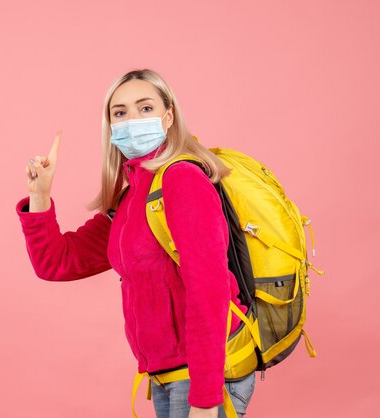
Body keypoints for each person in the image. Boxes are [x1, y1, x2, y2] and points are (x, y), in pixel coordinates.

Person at [15, 68, 256, 418]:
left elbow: (210, 289)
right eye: (120, 112)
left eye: (145, 109)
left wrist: (205, 400)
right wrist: (40, 195)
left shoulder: (182, 179)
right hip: (166, 376)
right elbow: (57, 263)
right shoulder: (130, 198)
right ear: (110, 125)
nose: (131, 120)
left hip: (203, 376)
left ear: (168, 116)